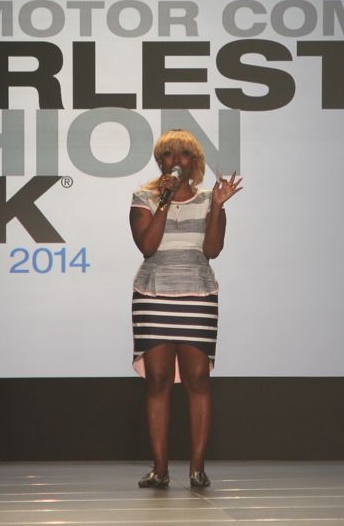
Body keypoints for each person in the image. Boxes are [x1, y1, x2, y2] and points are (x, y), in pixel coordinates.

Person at [129, 129, 242, 489]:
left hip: (198, 296)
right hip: (153, 295)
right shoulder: (144, 197)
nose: (176, 160)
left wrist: (218, 207)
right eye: (169, 154)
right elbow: (148, 246)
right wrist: (164, 200)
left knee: (198, 380)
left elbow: (212, 250)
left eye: (183, 154)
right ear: (160, 161)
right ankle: (160, 469)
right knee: (157, 382)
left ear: (194, 162)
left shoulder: (210, 199)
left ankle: (197, 469)